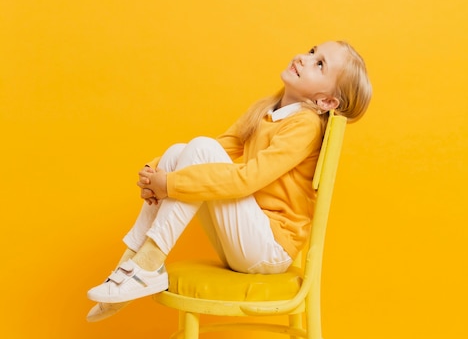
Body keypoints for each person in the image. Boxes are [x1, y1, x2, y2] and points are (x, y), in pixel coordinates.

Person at [87, 41, 372, 322]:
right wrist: (156, 171)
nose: (305, 58)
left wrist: (169, 184)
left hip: (269, 248)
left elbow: (246, 180)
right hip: (244, 240)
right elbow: (218, 148)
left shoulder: (305, 125)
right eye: (312, 52)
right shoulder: (266, 109)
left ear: (326, 102)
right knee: (182, 151)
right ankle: (132, 265)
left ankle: (146, 265)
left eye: (319, 64)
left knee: (201, 148)